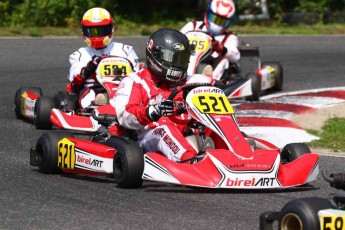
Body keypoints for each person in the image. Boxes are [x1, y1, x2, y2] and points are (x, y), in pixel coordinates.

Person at [112, 28, 198, 163]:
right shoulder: (135, 81)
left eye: (181, 59)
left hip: (187, 134)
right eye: (172, 58)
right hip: (149, 139)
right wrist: (152, 111)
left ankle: (239, 159)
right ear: (155, 55)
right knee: (164, 130)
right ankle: (192, 162)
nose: (177, 64)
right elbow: (124, 115)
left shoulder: (193, 82)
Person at [66, 7, 139, 108]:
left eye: (101, 30)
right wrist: (87, 70)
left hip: (122, 87)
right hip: (93, 88)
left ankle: (111, 101)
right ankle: (95, 106)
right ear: (84, 31)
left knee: (135, 93)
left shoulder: (125, 50)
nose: (97, 35)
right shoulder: (79, 55)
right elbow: (74, 81)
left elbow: (139, 75)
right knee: (88, 95)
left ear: (111, 28)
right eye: (92, 31)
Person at [180, 0, 240, 83]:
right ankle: (183, 77)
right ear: (207, 14)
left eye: (222, 21)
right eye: (214, 18)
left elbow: (236, 57)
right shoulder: (193, 26)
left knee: (224, 59)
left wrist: (222, 49)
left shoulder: (230, 37)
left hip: (213, 64)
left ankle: (210, 80)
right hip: (187, 58)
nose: (217, 23)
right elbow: (177, 39)